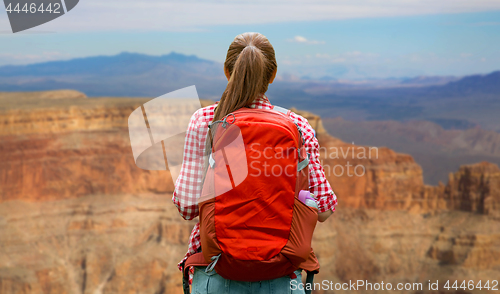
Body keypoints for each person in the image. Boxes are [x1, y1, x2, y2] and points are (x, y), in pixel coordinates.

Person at [172, 32, 337, 294]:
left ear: (228, 71)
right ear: (272, 75)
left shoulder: (204, 121)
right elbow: (325, 209)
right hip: (281, 274)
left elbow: (187, 207)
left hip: (216, 271)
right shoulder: (298, 126)